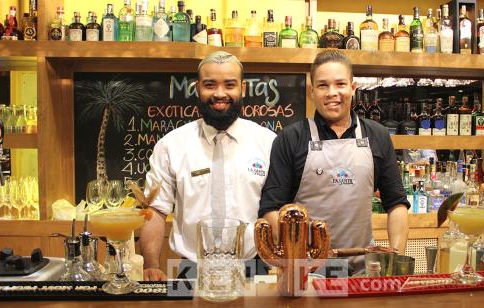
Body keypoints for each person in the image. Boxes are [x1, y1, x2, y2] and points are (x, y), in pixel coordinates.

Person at [258, 50, 409, 273]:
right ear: (311, 92)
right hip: (308, 273)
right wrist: (294, 256)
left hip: (362, 270)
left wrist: (396, 261)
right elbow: (271, 209)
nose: (332, 93)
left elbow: (396, 204)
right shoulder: (291, 138)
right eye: (322, 85)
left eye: (340, 84)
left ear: (353, 88)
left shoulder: (377, 135)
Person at [140, 51, 276, 281]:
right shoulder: (171, 145)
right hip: (190, 271)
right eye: (210, 85)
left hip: (255, 269)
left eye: (229, 85)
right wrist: (150, 264)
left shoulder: (269, 142)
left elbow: (278, 209)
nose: (220, 93)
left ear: (242, 89)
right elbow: (155, 210)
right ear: (197, 88)